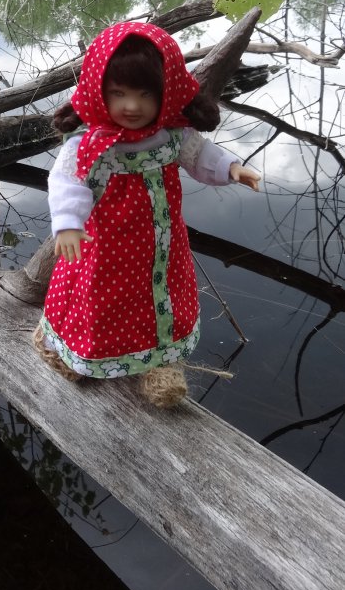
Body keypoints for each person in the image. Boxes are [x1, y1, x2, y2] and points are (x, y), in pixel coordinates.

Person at [33, 21, 261, 408]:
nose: (132, 106)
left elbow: (201, 155)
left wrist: (232, 168)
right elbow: (67, 182)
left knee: (160, 299)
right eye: (118, 93)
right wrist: (68, 224)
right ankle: (71, 350)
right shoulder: (90, 144)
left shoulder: (172, 134)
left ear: (166, 92)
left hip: (160, 246)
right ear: (98, 91)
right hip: (105, 248)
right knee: (97, 299)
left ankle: (158, 361)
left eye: (145, 94)